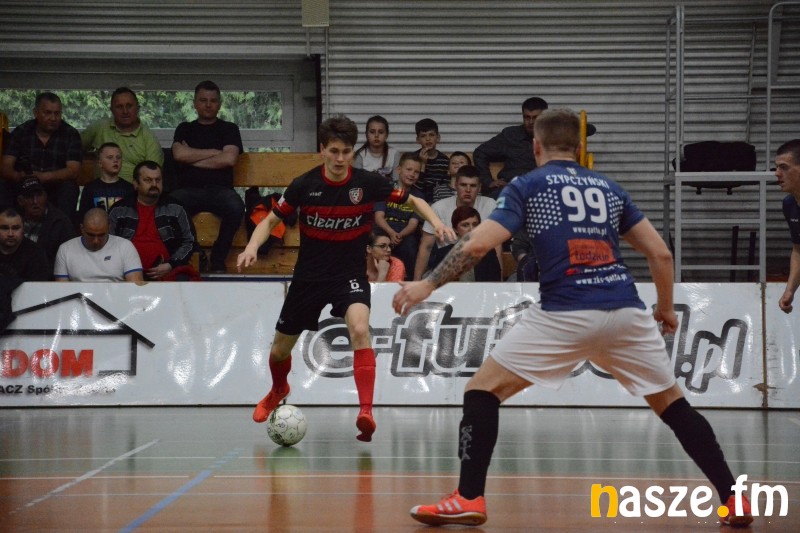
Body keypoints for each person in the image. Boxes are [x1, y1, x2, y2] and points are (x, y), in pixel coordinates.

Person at [394, 108, 752, 528]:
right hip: (625, 311)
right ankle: (734, 498)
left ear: (536, 146)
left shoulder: (528, 185)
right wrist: (666, 309)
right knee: (673, 406)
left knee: (481, 392)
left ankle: (469, 497)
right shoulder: (609, 188)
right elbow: (660, 254)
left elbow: (476, 245)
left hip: (565, 310)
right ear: (580, 148)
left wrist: (427, 284)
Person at [237, 115, 454, 443]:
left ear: (353, 151)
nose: (340, 159)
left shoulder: (369, 183)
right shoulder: (304, 185)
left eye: (347, 152)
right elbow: (269, 221)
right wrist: (252, 246)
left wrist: (436, 223)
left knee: (360, 329)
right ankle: (278, 388)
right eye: (334, 151)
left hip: (349, 275)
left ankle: (366, 411)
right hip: (309, 278)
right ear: (322, 149)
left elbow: (416, 201)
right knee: (279, 350)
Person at [170, 80, 245, 273]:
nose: (208, 105)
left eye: (213, 100)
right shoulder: (184, 128)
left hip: (220, 191)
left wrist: (191, 158)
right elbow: (178, 155)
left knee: (236, 206)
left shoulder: (229, 129)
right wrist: (214, 152)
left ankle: (218, 259)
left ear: (219, 104)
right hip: (188, 191)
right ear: (195, 103)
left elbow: (229, 159)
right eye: (203, 100)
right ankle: (196, 253)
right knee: (170, 206)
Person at [109, 161, 196, 281]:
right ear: (136, 183)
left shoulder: (176, 208)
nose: (154, 184)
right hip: (126, 272)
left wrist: (171, 264)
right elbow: (108, 242)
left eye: (158, 180)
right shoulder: (119, 210)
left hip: (168, 272)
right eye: (148, 180)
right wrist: (124, 267)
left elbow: (189, 241)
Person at [0, 92, 82, 216]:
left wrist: (44, 177)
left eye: (57, 113)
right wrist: (18, 176)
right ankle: (7, 224)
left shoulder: (70, 134)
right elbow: (5, 167)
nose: (53, 118)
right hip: (23, 184)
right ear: (36, 113)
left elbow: (73, 170)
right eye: (47, 113)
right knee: (3, 185)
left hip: (55, 186)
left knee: (69, 187)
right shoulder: (21, 132)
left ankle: (63, 227)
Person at [413, 166, 498, 281]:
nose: (468, 190)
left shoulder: (490, 205)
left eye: (473, 186)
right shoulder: (439, 207)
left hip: (481, 263)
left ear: (479, 188)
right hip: (445, 261)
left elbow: (496, 246)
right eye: (463, 185)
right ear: (456, 185)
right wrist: (416, 281)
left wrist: (500, 285)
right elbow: (426, 247)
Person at [473, 96, 550, 199]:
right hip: (510, 189)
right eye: (527, 117)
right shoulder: (511, 135)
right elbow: (480, 153)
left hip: (540, 190)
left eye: (535, 117)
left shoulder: (554, 138)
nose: (531, 122)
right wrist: (488, 181)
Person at [81, 87, 164, 183]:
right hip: (101, 190)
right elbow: (74, 148)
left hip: (133, 191)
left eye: (129, 106)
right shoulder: (99, 128)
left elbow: (153, 178)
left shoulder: (149, 139)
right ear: (112, 110)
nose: (125, 111)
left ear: (138, 108)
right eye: (119, 107)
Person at [54, 208, 143, 282]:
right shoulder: (65, 249)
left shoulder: (125, 247)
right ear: (82, 229)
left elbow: (135, 287)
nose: (96, 241)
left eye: (101, 235)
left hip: (116, 297)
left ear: (109, 228)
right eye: (91, 235)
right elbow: (62, 290)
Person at [374, 152, 424, 280]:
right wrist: (391, 233)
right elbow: (379, 217)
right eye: (409, 169)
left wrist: (399, 235)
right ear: (399, 169)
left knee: (410, 245)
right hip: (385, 228)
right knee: (378, 241)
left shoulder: (418, 196)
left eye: (416, 172)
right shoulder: (386, 189)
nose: (412, 174)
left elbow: (413, 224)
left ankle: (407, 280)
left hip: (405, 231)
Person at [15, 176, 76, 276]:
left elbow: (70, 259)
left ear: (46, 196)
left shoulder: (61, 222)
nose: (35, 201)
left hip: (49, 279)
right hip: (16, 277)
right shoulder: (10, 222)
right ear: (20, 201)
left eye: (39, 195)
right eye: (30, 196)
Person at [427, 206, 501, 281]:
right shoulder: (443, 254)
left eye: (475, 224)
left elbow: (494, 283)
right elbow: (437, 285)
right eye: (465, 225)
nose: (471, 229)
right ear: (455, 229)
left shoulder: (488, 253)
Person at [77, 142, 133, 219]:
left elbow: (131, 216)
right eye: (110, 157)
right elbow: (84, 216)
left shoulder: (128, 188)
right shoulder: (90, 188)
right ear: (100, 163)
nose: (115, 160)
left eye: (118, 157)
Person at [776, 138, 800, 314]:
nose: (777, 173)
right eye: (776, 167)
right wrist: (790, 290)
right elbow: (799, 250)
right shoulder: (789, 204)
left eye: (784, 167)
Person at [0, 206, 50, 281]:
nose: (10, 234)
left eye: (16, 228)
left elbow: (38, 286)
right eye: (5, 228)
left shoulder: (35, 253)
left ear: (23, 229)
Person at [353, 115, 400, 182]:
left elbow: (396, 181)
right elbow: (357, 181)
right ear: (366, 134)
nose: (376, 135)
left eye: (381, 132)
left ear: (386, 135)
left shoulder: (394, 154)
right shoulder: (360, 155)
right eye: (372, 132)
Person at [414, 118, 450, 203]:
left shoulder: (445, 161)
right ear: (418, 140)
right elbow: (415, 188)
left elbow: (445, 189)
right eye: (423, 136)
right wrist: (422, 164)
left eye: (431, 135)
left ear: (438, 138)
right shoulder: (413, 159)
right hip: (417, 200)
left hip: (438, 201)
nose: (428, 139)